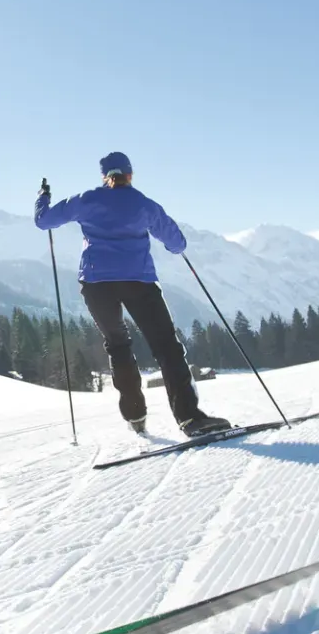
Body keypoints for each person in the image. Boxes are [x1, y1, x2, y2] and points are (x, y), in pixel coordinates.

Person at [35, 152, 232, 438]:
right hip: (138, 282)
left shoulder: (86, 200)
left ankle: (135, 415)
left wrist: (42, 197)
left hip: (96, 284)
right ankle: (190, 418)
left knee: (117, 345)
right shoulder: (143, 204)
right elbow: (177, 242)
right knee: (166, 347)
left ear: (104, 176)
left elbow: (44, 222)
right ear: (130, 174)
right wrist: (173, 246)